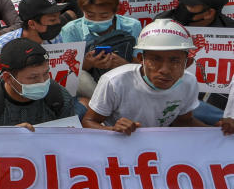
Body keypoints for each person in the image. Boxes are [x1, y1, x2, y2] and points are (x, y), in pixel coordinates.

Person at [82, 20, 215, 133]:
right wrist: (113, 130)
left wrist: (219, 132)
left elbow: (183, 122)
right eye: (155, 60)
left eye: (175, 61)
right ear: (141, 59)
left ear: (188, 63)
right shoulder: (115, 81)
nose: (165, 70)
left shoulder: (188, 82)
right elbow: (88, 122)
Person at [0, 38, 76, 129]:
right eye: (33, 77)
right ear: (8, 78)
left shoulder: (59, 97)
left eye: (46, 73)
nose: (43, 82)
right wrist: (10, 139)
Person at [0, 0, 66, 64]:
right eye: (52, 20)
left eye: (59, 17)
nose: (58, 22)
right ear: (32, 24)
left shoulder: (55, 38)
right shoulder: (0, 47)